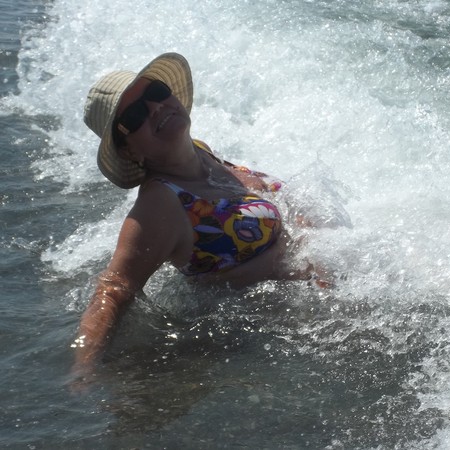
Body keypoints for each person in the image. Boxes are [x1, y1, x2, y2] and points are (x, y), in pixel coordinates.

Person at [71, 53, 319, 383]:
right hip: (286, 333)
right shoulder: (160, 204)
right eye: (134, 114)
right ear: (128, 149)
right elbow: (114, 289)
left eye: (156, 92)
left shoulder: (199, 150)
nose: (155, 106)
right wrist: (83, 371)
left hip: (321, 288)